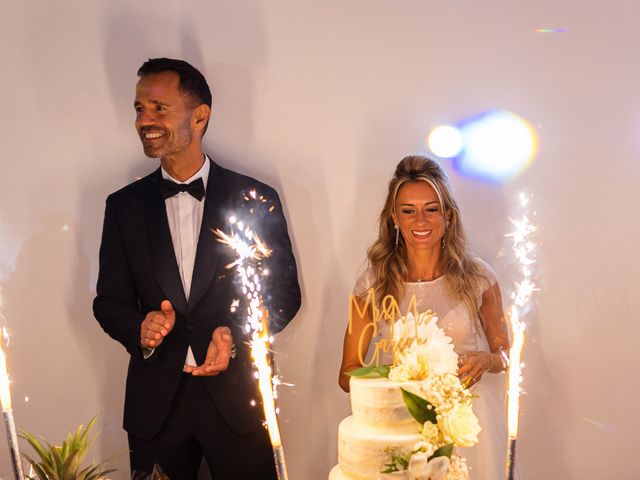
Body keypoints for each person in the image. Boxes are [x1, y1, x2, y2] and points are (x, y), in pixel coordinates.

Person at [93, 58, 301, 479]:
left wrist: (235, 334)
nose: (144, 120)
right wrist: (139, 328)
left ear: (200, 115)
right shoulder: (123, 208)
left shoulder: (253, 196)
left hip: (239, 402)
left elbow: (283, 293)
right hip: (156, 407)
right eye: (139, 109)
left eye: (159, 108)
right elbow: (108, 302)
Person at [338, 155, 510, 478]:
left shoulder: (479, 279)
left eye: (431, 209)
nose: (421, 221)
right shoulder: (372, 285)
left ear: (448, 214)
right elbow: (347, 374)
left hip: (468, 430)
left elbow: (507, 356)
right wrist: (401, 379)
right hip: (401, 434)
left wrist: (487, 360)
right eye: (408, 210)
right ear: (394, 217)